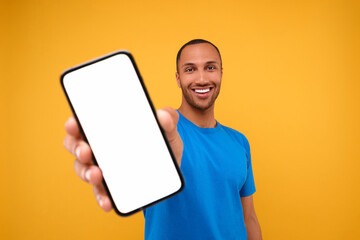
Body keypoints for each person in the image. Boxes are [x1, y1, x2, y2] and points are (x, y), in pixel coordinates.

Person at [63, 39, 262, 239]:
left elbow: (249, 217)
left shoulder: (239, 141)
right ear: (178, 78)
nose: (201, 78)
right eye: (190, 69)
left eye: (210, 67)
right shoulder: (159, 133)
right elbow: (133, 172)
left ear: (220, 73)